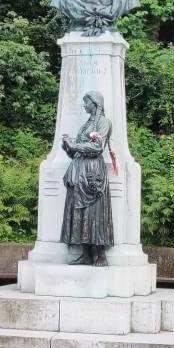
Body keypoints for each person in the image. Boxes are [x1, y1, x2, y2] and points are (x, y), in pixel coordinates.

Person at [60, 90, 115, 266]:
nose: (84, 105)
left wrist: (75, 144)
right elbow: (77, 148)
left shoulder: (104, 122)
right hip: (78, 171)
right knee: (79, 212)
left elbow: (98, 147)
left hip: (92, 172)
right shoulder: (86, 124)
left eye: (86, 102)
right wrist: (68, 146)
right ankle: (85, 254)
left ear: (95, 103)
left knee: (95, 211)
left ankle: (100, 255)